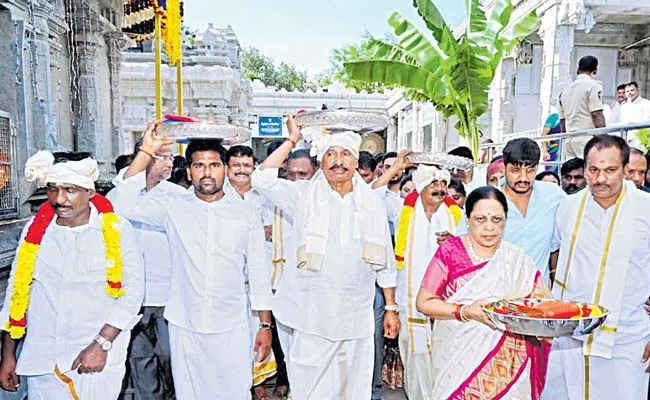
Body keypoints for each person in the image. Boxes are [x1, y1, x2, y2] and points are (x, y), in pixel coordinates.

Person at [110, 125, 272, 399]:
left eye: (214, 165)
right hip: (185, 323)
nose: (207, 172)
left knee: (235, 392)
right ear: (189, 171)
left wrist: (265, 326)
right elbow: (122, 203)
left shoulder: (246, 213)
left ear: (225, 169)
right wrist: (146, 151)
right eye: (199, 165)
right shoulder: (173, 207)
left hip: (232, 323)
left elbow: (258, 272)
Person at [251, 115, 399, 400]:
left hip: (355, 316)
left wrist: (391, 307)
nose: (338, 161)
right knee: (310, 389)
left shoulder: (372, 204)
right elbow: (261, 178)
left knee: (353, 390)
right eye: (330, 154)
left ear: (356, 162)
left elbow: (386, 262)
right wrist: (293, 140)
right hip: (312, 316)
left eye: (345, 154)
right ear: (321, 162)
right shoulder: (302, 195)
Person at [0, 151, 144, 399]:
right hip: (42, 357)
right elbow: (16, 291)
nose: (59, 199)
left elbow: (132, 294)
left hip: (93, 358)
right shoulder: (35, 230)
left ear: (90, 192)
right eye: (53, 189)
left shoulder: (117, 229)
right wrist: (8, 354)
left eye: (70, 189)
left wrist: (102, 344)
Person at [416, 186, 550, 399]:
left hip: (509, 361)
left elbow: (542, 306)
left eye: (497, 220)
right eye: (480, 219)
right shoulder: (451, 252)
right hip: (456, 355)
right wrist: (465, 311)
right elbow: (424, 302)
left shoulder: (517, 258)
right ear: (467, 219)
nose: (489, 228)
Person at [544, 135, 650, 400]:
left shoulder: (645, 209)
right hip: (570, 336)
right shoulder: (568, 208)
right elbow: (555, 254)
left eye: (610, 170)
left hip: (628, 335)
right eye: (593, 170)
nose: (601, 178)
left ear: (626, 170)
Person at [107, 141, 179, 400]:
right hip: (129, 298)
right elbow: (120, 206)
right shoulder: (117, 196)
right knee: (141, 364)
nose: (170, 163)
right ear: (144, 157)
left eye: (171, 157)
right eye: (162, 157)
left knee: (173, 361)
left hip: (167, 296)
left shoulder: (177, 197)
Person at [393, 164, 457, 400]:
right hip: (409, 302)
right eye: (434, 183)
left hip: (445, 303)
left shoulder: (456, 217)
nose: (440, 189)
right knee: (415, 356)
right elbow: (374, 193)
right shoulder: (403, 212)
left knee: (444, 357)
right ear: (420, 187)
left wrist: (455, 243)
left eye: (443, 184)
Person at [222, 145, 278, 400]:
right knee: (230, 346)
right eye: (236, 165)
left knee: (258, 336)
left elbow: (274, 233)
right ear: (227, 168)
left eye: (247, 165)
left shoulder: (265, 196)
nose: (242, 170)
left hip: (260, 280)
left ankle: (255, 384)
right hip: (229, 285)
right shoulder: (216, 197)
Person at [499, 138, 565, 283]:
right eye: (515, 171)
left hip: (540, 296)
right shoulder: (486, 201)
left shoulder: (553, 195)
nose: (523, 178)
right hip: (497, 295)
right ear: (504, 168)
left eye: (530, 170)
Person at [558, 55, 606, 158]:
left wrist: (565, 138)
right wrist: (604, 138)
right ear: (595, 70)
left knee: (572, 172)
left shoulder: (565, 91)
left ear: (578, 69)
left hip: (569, 138)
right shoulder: (593, 86)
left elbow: (562, 120)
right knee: (590, 170)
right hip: (586, 137)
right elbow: (596, 114)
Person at [620, 81, 650, 148]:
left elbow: (647, 123)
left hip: (642, 139)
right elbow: (623, 124)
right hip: (628, 140)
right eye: (627, 91)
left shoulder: (646, 104)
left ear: (637, 91)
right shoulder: (623, 106)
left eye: (632, 90)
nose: (630, 93)